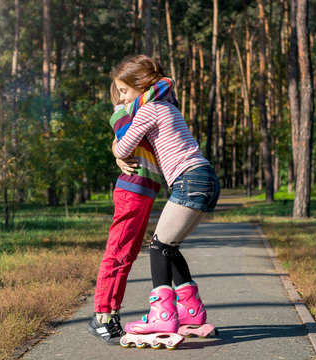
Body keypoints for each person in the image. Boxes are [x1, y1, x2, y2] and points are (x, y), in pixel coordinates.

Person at [111, 55, 220, 349]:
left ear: (141, 85)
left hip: (189, 179)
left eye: (124, 91)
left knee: (158, 247)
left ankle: (162, 314)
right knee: (169, 247)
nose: (121, 97)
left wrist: (114, 141)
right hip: (204, 177)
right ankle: (192, 312)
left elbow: (124, 146)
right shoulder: (168, 105)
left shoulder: (149, 110)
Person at [87, 76, 178, 345]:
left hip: (144, 191)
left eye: (126, 91)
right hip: (132, 190)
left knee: (127, 255)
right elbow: (166, 82)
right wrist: (138, 89)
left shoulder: (142, 109)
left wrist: (115, 151)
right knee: (117, 252)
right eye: (120, 92)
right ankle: (102, 316)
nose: (124, 97)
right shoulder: (126, 111)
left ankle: (111, 314)